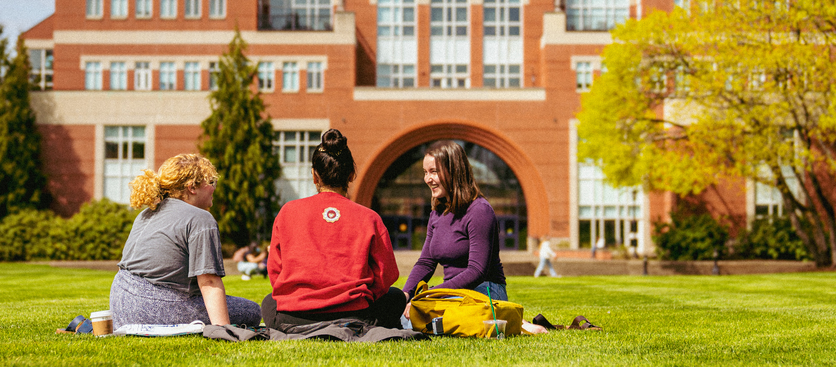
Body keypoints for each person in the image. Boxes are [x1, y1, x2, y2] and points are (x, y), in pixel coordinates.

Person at [262, 129, 406, 331]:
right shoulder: (369, 217)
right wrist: (361, 297)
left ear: (314, 175)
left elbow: (275, 272)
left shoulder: (288, 212)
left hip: (295, 316)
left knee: (269, 302)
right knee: (396, 297)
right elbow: (386, 274)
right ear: (352, 174)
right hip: (354, 313)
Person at [401, 140, 547, 334]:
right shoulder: (437, 213)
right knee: (401, 320)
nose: (428, 179)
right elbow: (426, 262)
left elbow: (477, 270)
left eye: (434, 171)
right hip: (451, 294)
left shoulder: (479, 210)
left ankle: (510, 322)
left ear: (454, 171)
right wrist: (405, 296)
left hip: (483, 290)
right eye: (425, 172)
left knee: (425, 321)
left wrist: (431, 295)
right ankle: (510, 322)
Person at [109, 154, 261, 330]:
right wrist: (224, 330)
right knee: (251, 311)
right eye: (211, 183)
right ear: (192, 187)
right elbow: (209, 282)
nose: (214, 189)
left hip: (121, 305)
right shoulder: (201, 219)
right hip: (154, 307)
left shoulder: (146, 213)